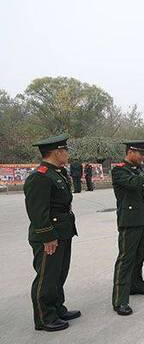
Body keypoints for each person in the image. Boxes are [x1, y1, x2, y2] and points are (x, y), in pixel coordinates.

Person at [24, 134, 80, 332]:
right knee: (46, 277)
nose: (67, 154)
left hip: (62, 231)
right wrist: (48, 236)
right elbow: (38, 212)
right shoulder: (40, 176)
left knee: (59, 274)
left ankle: (57, 308)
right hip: (49, 235)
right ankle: (44, 317)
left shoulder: (57, 172)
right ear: (57, 152)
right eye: (65, 150)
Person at [111, 140, 144, 316]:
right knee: (126, 260)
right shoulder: (119, 170)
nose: (142, 157)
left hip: (141, 218)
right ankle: (120, 300)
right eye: (140, 154)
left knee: (140, 255)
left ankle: (136, 285)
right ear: (130, 152)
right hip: (129, 220)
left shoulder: (138, 168)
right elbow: (134, 184)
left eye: (143, 154)